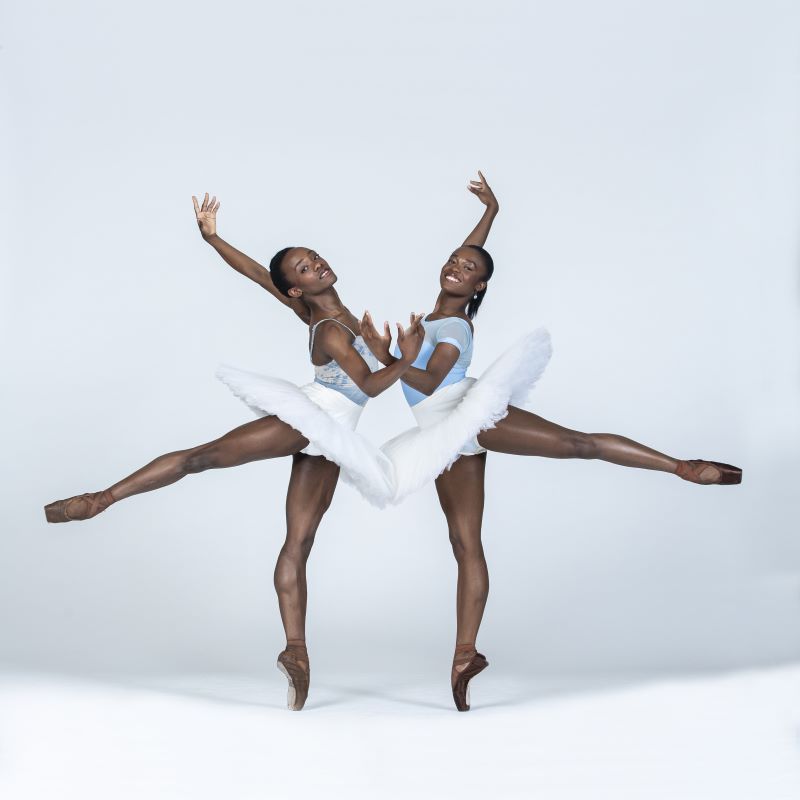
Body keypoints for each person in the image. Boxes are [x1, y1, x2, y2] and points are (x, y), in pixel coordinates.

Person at [360, 172, 742, 711]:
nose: (457, 268)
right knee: (464, 544)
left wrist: (393, 358)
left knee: (576, 444)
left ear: (479, 290)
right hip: (439, 437)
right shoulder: (439, 308)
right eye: (454, 261)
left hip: (465, 413)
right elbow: (469, 263)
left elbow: (430, 381)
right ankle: (465, 655)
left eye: (469, 270)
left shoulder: (454, 328)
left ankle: (682, 466)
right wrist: (492, 213)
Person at [44, 193, 424, 711]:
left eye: (314, 257)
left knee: (300, 541)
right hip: (310, 419)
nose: (317, 265)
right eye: (305, 268)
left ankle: (296, 651)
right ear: (300, 287)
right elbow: (373, 387)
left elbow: (256, 275)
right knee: (202, 457)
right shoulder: (332, 329)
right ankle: (98, 499)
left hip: (333, 439)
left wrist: (213, 237)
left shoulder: (336, 314)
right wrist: (402, 358)